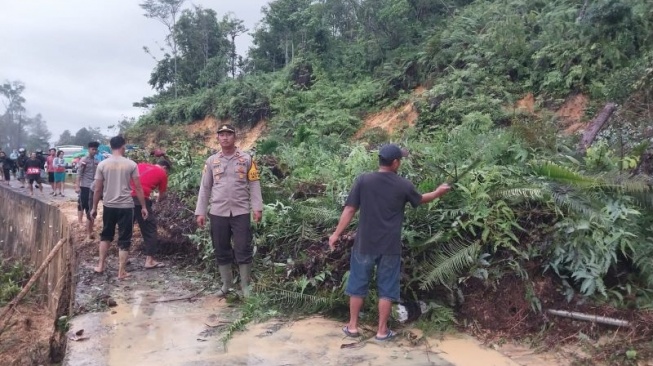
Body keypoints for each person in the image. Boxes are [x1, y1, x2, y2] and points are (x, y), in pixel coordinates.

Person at [328, 144, 451, 341]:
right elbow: (420, 200)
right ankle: (382, 331)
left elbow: (350, 210)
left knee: (358, 285)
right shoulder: (403, 185)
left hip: (364, 245)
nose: (400, 163)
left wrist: (335, 234)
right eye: (399, 160)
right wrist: (437, 192)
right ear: (394, 163)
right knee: (386, 288)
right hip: (389, 247)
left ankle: (352, 327)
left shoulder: (363, 181)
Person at [195, 124, 263, 297]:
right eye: (221, 135)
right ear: (217, 138)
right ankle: (226, 285)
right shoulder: (211, 161)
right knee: (221, 248)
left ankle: (245, 286)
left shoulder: (246, 159)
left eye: (228, 134)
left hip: (240, 211)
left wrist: (257, 208)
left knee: (243, 247)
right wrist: (200, 212)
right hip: (218, 212)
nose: (225, 137)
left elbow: (254, 184)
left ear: (235, 137)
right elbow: (205, 187)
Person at [91, 136, 148, 280]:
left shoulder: (102, 164)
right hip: (126, 206)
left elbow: (98, 189)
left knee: (106, 235)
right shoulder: (131, 164)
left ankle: (101, 265)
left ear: (110, 146)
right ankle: (121, 272)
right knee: (124, 238)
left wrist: (93, 207)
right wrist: (143, 206)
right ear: (123, 146)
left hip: (108, 205)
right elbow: (138, 187)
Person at [131, 159, 171, 269]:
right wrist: (157, 201)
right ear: (165, 168)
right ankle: (150, 260)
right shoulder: (162, 173)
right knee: (150, 229)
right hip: (141, 200)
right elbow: (162, 194)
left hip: (125, 197)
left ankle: (123, 258)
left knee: (126, 228)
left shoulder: (141, 165)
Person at [75, 142, 100, 234]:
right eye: (93, 149)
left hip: (93, 186)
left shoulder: (95, 160)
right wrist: (77, 186)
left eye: (96, 149)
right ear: (89, 149)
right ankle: (80, 222)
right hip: (84, 185)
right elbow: (79, 174)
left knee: (91, 206)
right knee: (82, 204)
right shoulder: (84, 160)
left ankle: (89, 224)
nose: (94, 151)